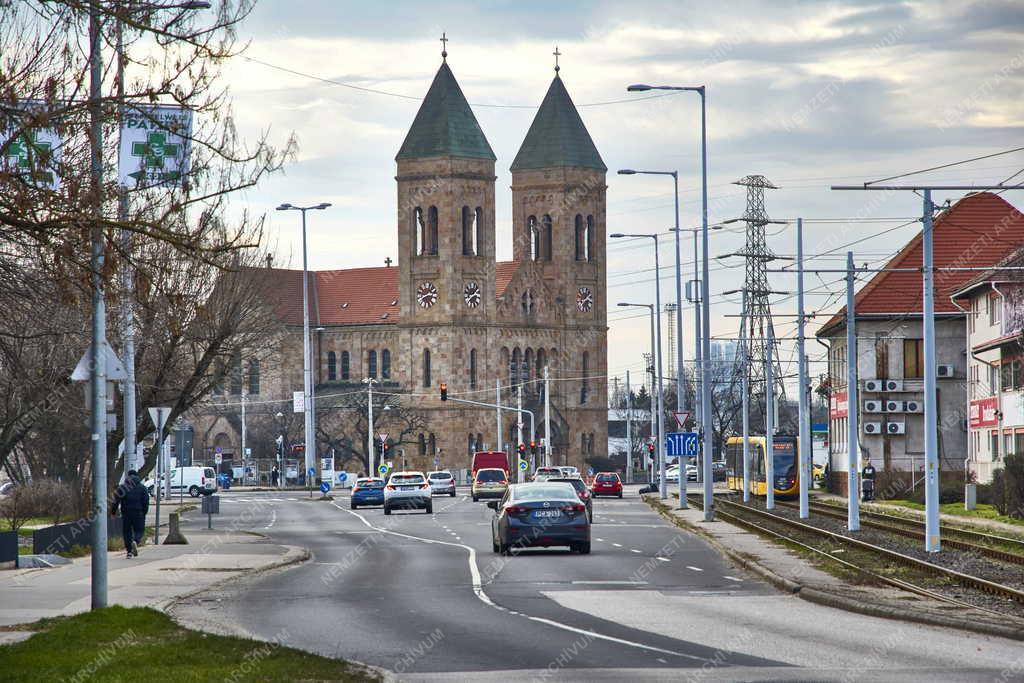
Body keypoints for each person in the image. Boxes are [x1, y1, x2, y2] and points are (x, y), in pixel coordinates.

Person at [111, 469, 149, 558]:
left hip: (126, 513)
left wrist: (113, 512)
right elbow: (146, 501)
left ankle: (129, 552)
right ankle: (135, 541)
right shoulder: (142, 488)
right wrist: (144, 512)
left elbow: (116, 501)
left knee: (127, 532)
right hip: (138, 512)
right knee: (139, 530)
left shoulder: (122, 487)